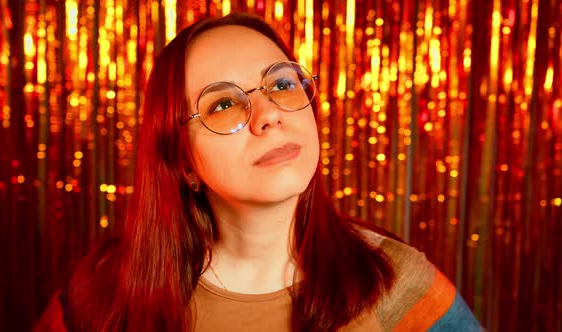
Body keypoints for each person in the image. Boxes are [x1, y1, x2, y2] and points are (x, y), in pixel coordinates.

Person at [34, 12, 482, 332]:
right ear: (184, 162)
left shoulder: (398, 284)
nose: (268, 114)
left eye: (282, 84)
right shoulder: (103, 295)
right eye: (224, 103)